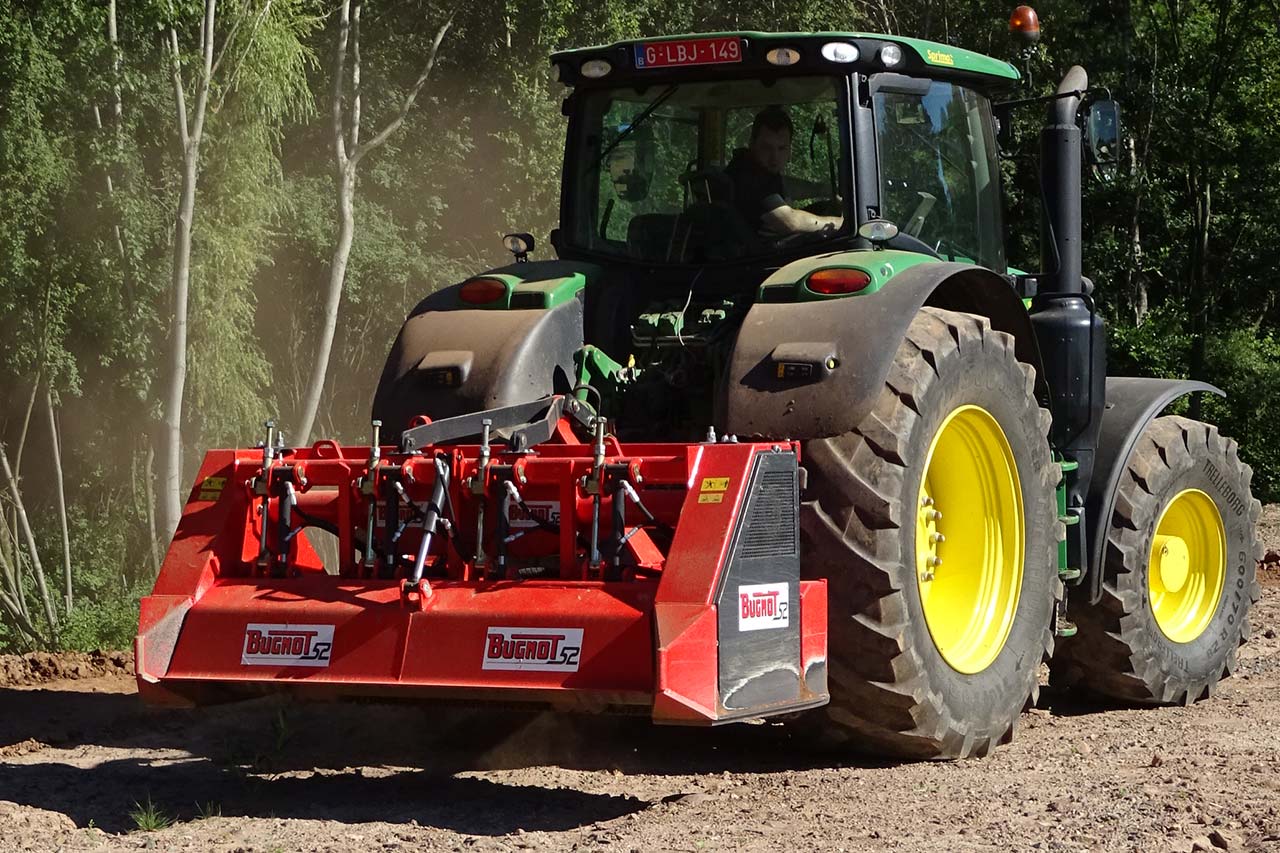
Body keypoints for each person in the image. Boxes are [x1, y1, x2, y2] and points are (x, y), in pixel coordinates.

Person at [724, 106, 843, 238]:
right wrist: (841, 223)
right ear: (752, 144)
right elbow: (789, 222)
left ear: (789, 149)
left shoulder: (758, 169)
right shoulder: (748, 174)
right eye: (767, 148)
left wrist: (824, 190)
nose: (774, 157)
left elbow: (787, 186)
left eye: (781, 148)